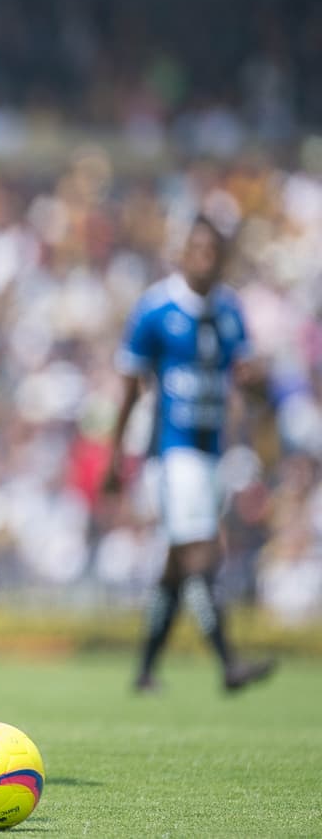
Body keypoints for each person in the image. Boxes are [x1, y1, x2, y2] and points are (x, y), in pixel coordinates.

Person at [103, 215, 275, 694]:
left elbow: (252, 386)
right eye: (197, 250)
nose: (205, 260)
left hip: (213, 451)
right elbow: (130, 388)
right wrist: (116, 455)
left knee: (177, 567)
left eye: (213, 252)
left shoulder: (230, 310)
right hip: (171, 451)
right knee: (202, 550)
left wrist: (257, 384)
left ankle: (144, 671)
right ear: (182, 255)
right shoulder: (156, 309)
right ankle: (229, 663)